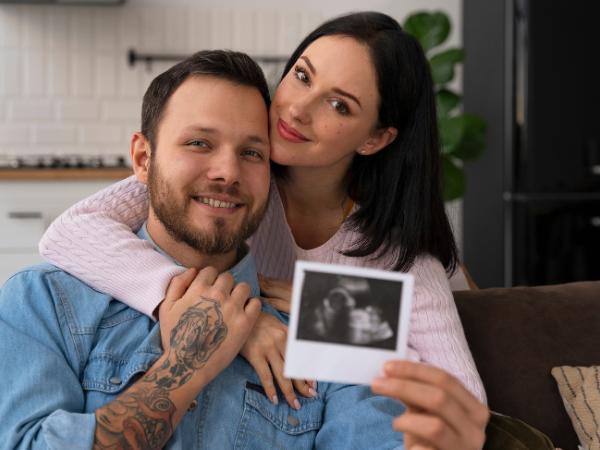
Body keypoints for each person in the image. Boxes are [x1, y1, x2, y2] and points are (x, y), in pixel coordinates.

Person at [39, 12, 490, 449]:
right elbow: (70, 232)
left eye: (338, 104)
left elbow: (467, 410)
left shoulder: (406, 263)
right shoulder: (235, 183)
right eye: (302, 75)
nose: (297, 108)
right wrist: (222, 309)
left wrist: (325, 310)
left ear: (375, 138)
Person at [0, 50, 410, 450]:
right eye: (199, 143)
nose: (227, 172)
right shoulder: (40, 301)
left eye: (252, 153)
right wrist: (187, 365)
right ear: (143, 159)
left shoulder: (339, 318)